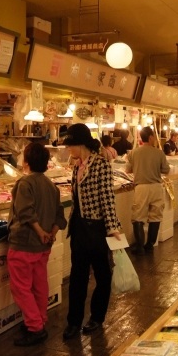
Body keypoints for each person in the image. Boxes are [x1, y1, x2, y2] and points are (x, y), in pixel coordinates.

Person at [61, 123, 123, 340]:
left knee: (102, 275)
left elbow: (108, 199)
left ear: (80, 144)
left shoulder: (101, 165)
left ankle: (97, 316)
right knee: (78, 276)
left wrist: (113, 228)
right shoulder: (77, 166)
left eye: (71, 145)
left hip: (97, 228)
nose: (69, 150)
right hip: (78, 228)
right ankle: (73, 322)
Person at [7, 142, 67, 347]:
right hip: (43, 247)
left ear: (26, 161)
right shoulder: (51, 185)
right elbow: (60, 215)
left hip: (24, 243)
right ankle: (40, 319)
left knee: (20, 287)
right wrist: (50, 233)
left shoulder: (25, 183)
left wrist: (41, 232)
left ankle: (34, 326)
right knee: (39, 283)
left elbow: (25, 212)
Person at [125, 127, 170, 255]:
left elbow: (128, 170)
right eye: (154, 136)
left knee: (138, 217)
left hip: (141, 188)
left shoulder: (133, 153)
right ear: (150, 137)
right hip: (156, 187)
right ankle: (150, 245)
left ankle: (139, 246)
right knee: (155, 216)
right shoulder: (159, 153)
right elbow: (166, 170)